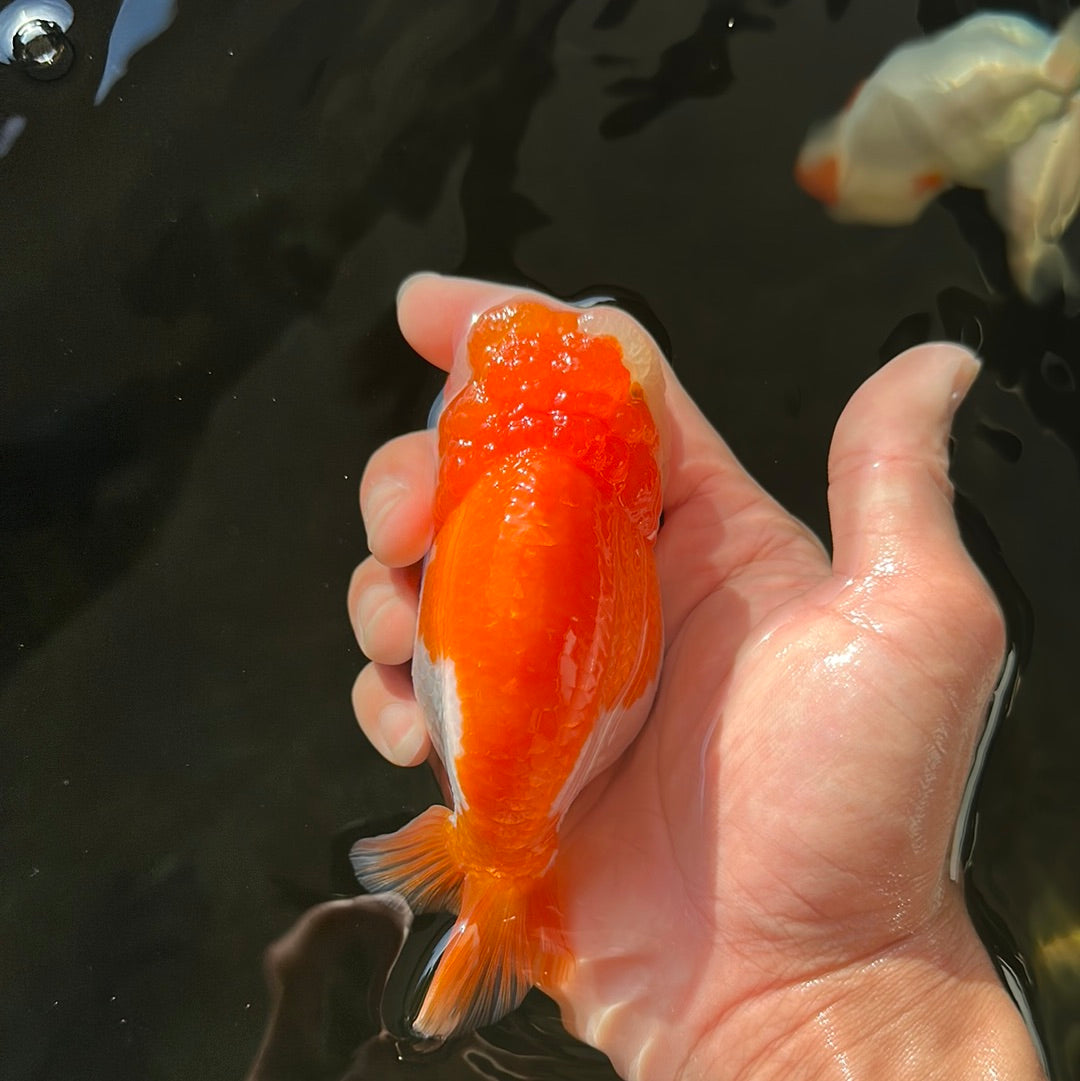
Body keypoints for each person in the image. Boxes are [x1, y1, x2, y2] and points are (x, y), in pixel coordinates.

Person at [347, 272, 1046, 1081]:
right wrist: (857, 1004)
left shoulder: (531, 468)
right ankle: (492, 863)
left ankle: (491, 869)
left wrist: (846, 990)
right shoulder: (578, 482)